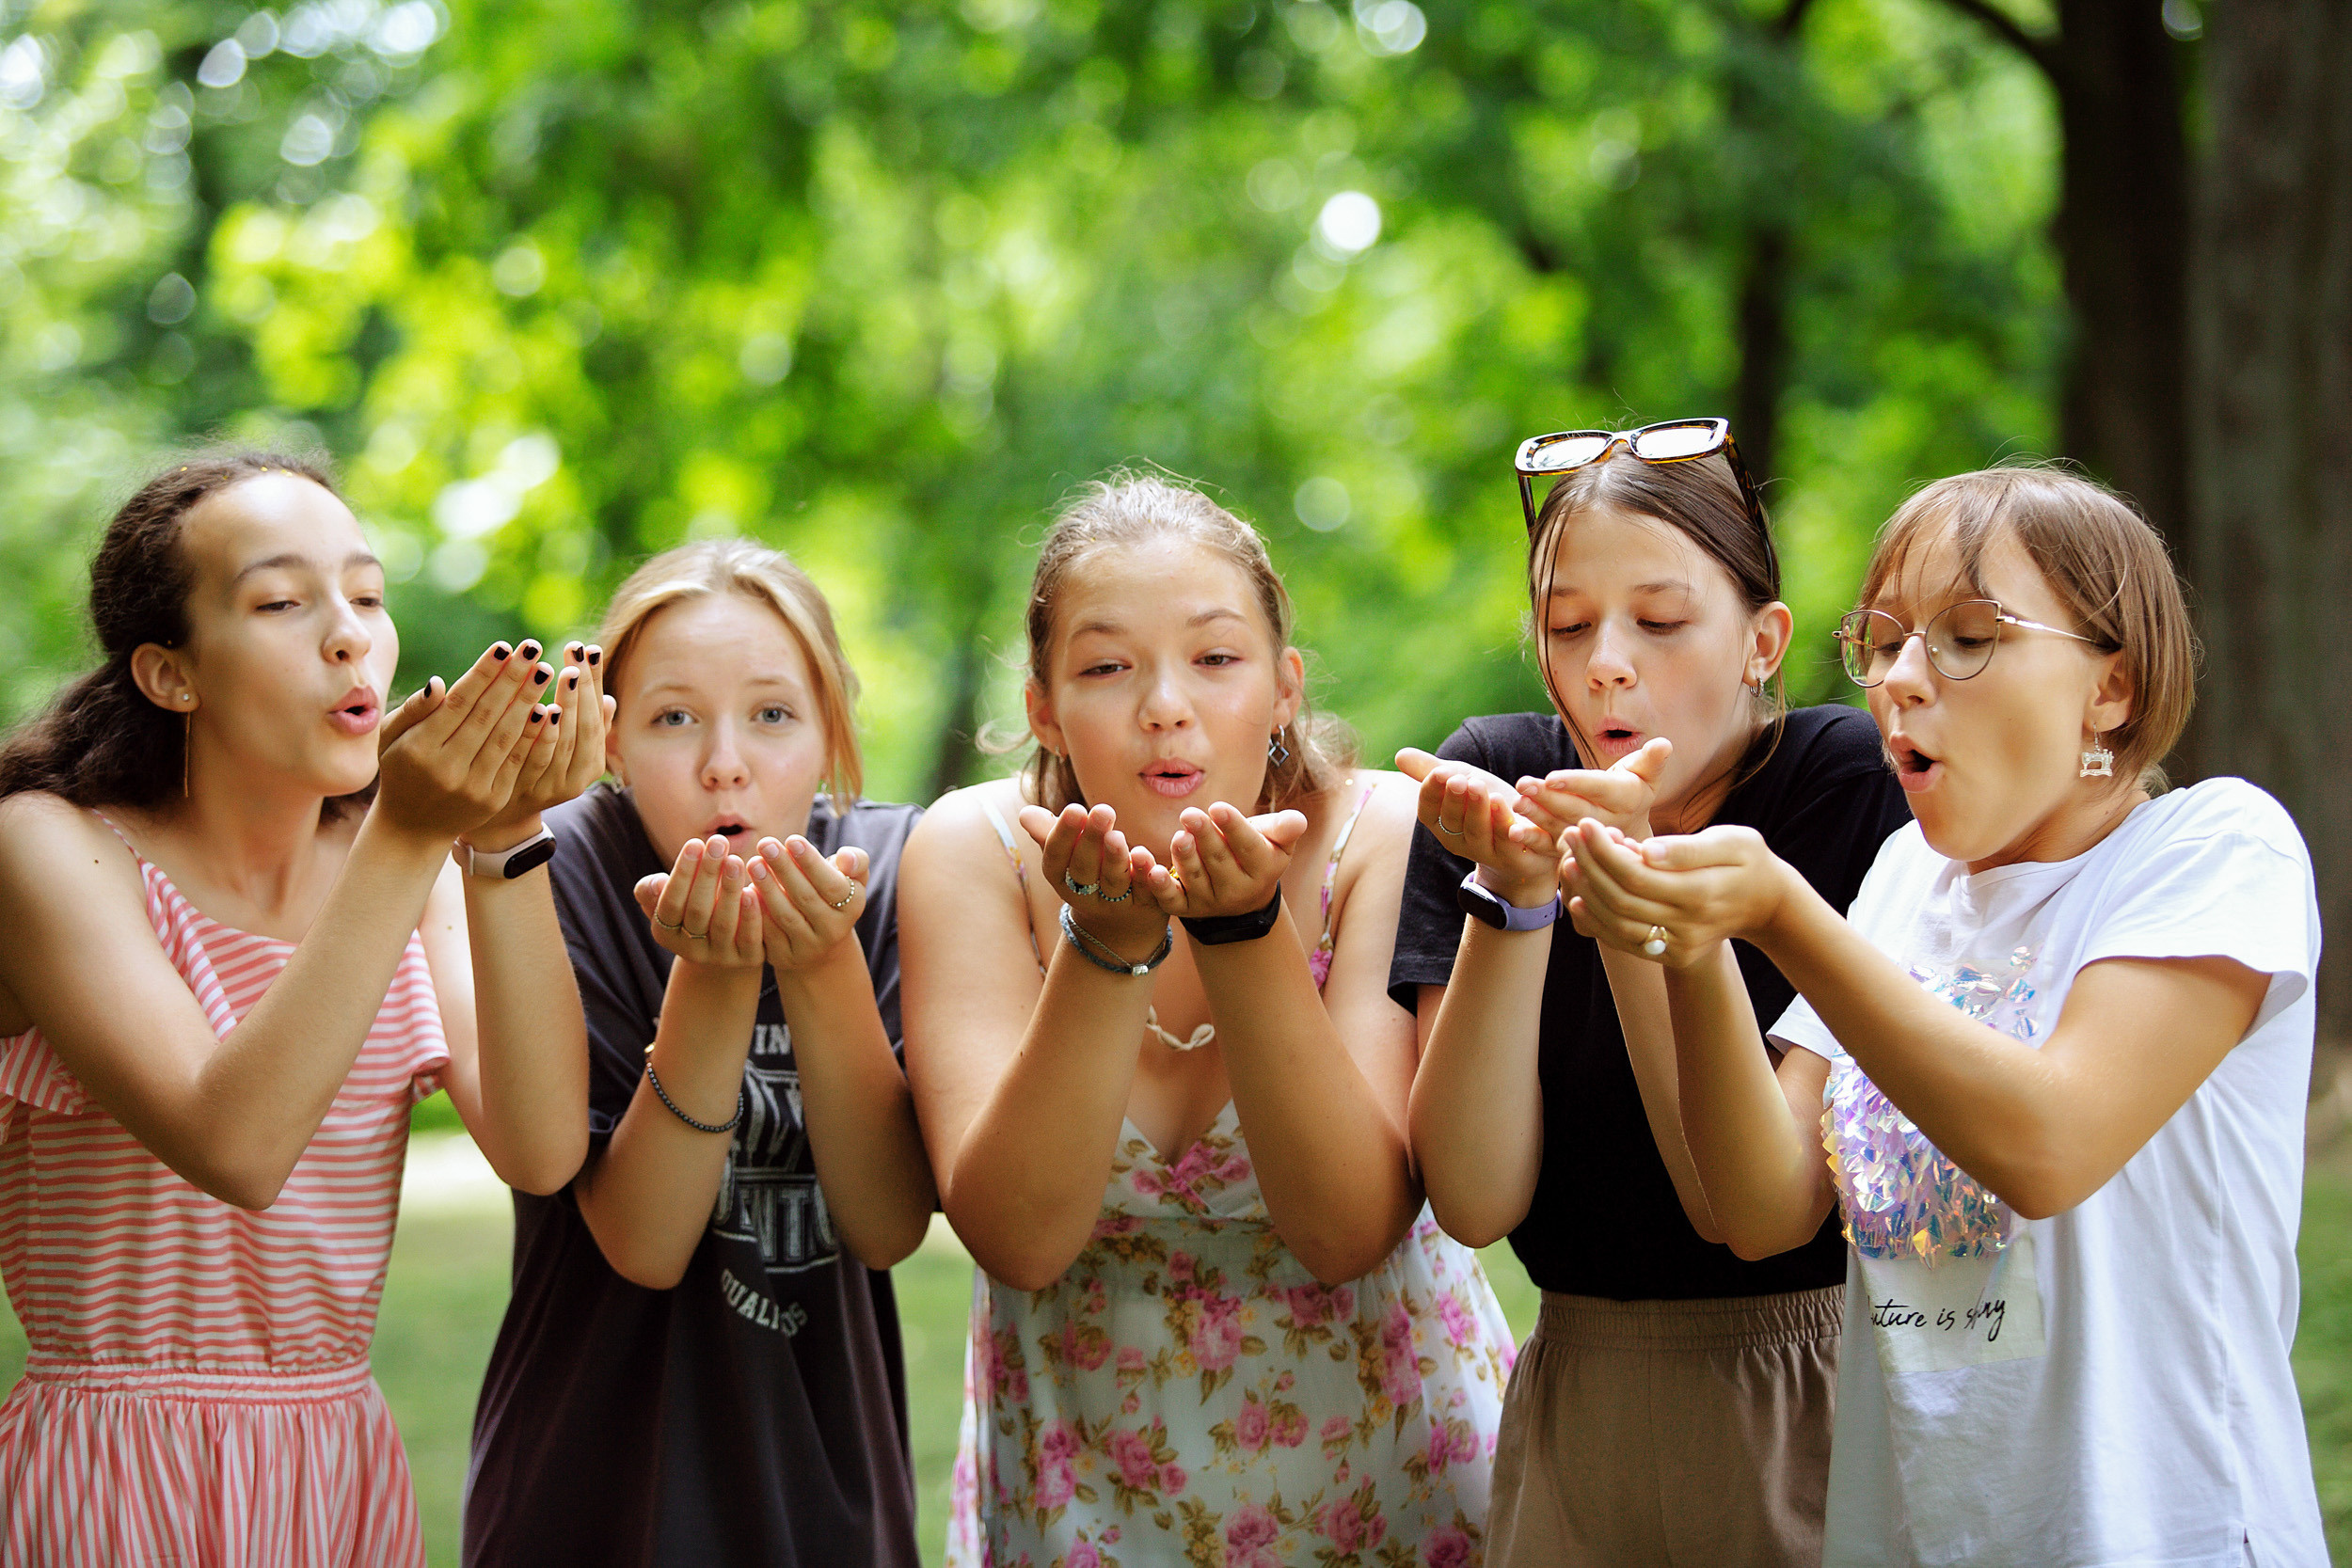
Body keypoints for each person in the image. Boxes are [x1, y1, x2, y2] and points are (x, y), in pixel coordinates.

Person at [1564, 466, 2327, 1564]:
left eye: (1968, 636)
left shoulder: (2211, 848)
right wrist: (1686, 943)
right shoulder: (1902, 877)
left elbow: (2048, 1142)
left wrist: (1781, 910)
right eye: (1880, 641)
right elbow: (1761, 1205)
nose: (1901, 680)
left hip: (2165, 1529)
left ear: (2110, 687)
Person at [0, 451, 600, 1566]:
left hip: (337, 1467)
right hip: (115, 1475)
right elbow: (234, 1141)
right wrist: (411, 834)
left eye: (366, 595)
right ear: (170, 674)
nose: (350, 634)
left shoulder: (399, 864)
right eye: (282, 601)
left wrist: (503, 837)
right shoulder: (51, 847)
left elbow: (542, 1144)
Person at [903, 475, 1514, 1568]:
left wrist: (1240, 932)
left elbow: (1346, 1227)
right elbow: (1018, 1234)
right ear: (1042, 704)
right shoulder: (970, 850)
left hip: (1392, 1482)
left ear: (1284, 687)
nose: (1163, 705)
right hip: (1077, 1493)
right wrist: (1107, 946)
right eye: (1105, 667)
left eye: (1215, 658)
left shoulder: (1384, 832)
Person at [1393, 419, 1913, 1566]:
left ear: (1763, 641)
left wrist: (1628, 895)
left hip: (1810, 1377)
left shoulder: (1843, 786)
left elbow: (1745, 1213)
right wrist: (1516, 890)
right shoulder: (1494, 778)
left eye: (1661, 620)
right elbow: (1472, 1198)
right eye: (1567, 624)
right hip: (1579, 1384)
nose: (1606, 661)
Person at [464, 539, 935, 1567]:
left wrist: (820, 967)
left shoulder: (895, 869)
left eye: (772, 714)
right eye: (674, 716)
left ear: (830, 735)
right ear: (612, 739)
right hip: (589, 1496)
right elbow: (642, 1238)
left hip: (829, 1496)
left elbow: (888, 1221)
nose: (726, 759)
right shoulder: (554, 862)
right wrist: (717, 980)